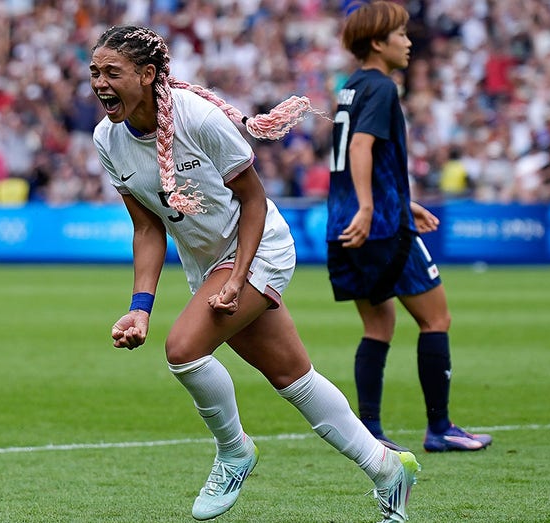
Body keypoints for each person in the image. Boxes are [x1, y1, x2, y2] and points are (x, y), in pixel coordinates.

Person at [90, 25, 419, 522]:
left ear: (147, 74)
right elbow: (148, 229)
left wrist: (239, 278)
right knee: (293, 377)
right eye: (94, 72)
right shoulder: (107, 138)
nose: (99, 82)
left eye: (112, 71)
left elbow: (252, 199)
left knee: (183, 350)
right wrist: (140, 308)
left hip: (257, 248)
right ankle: (388, 468)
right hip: (208, 264)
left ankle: (234, 451)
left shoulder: (196, 117)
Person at [327, 1, 493, 453]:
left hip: (346, 227)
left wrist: (404, 201)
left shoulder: (351, 87)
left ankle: (370, 433)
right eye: (400, 34)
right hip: (379, 228)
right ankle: (440, 428)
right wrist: (372, 208)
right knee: (436, 318)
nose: (409, 41)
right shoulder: (381, 87)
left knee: (378, 326)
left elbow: (357, 157)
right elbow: (361, 148)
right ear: (378, 43)